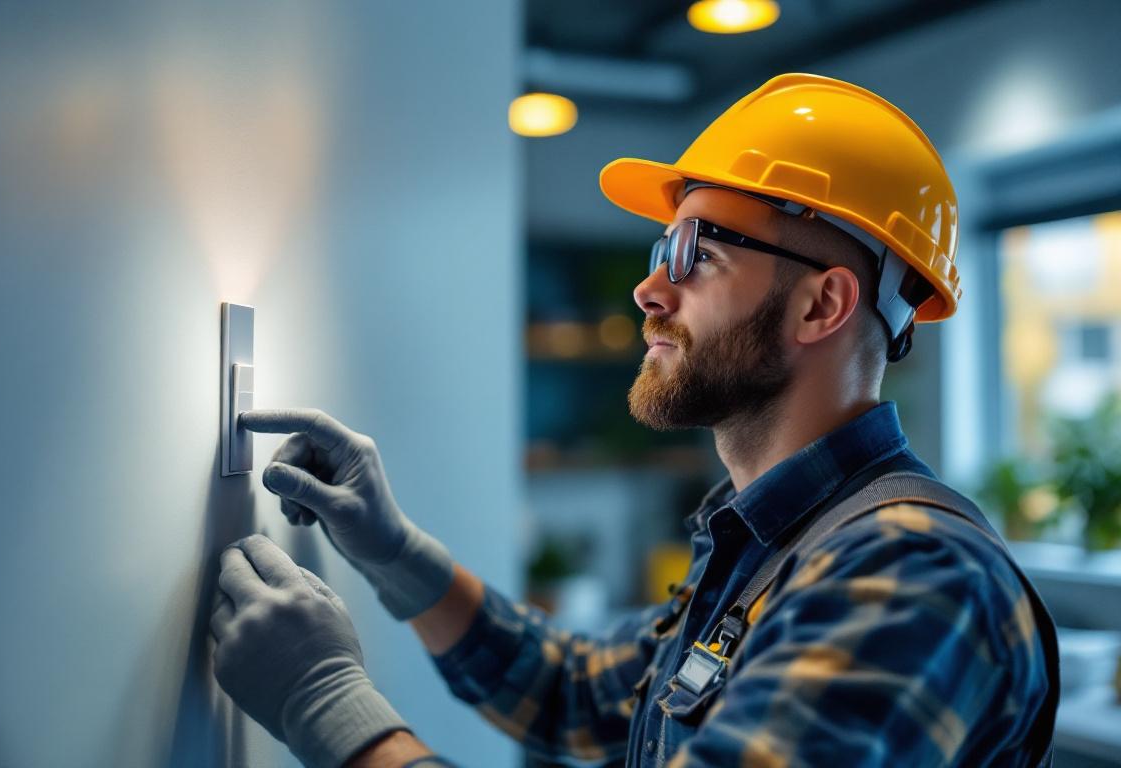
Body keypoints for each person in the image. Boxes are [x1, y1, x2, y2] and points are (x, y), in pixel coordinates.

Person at [210, 73, 1059, 768]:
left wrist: (327, 705)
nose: (649, 290)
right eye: (662, 252)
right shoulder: (767, 544)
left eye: (698, 254)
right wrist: (392, 552)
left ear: (820, 306)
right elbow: (574, 694)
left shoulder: (911, 578)